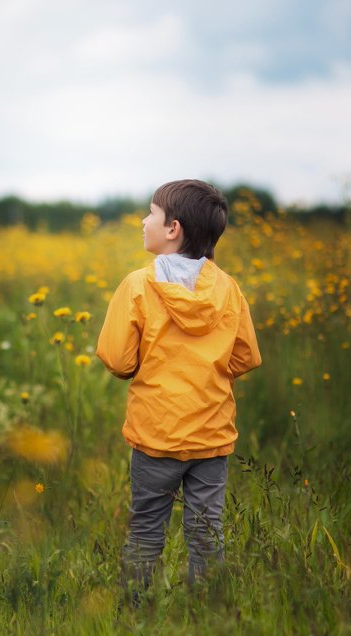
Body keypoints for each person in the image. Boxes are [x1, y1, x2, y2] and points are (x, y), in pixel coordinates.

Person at [96, 179, 261, 602]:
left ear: (172, 228)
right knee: (207, 534)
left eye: (150, 213)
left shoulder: (137, 285)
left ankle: (134, 615)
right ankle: (209, 617)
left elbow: (118, 360)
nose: (142, 220)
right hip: (211, 436)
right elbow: (245, 357)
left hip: (156, 436)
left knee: (147, 529)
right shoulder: (227, 288)